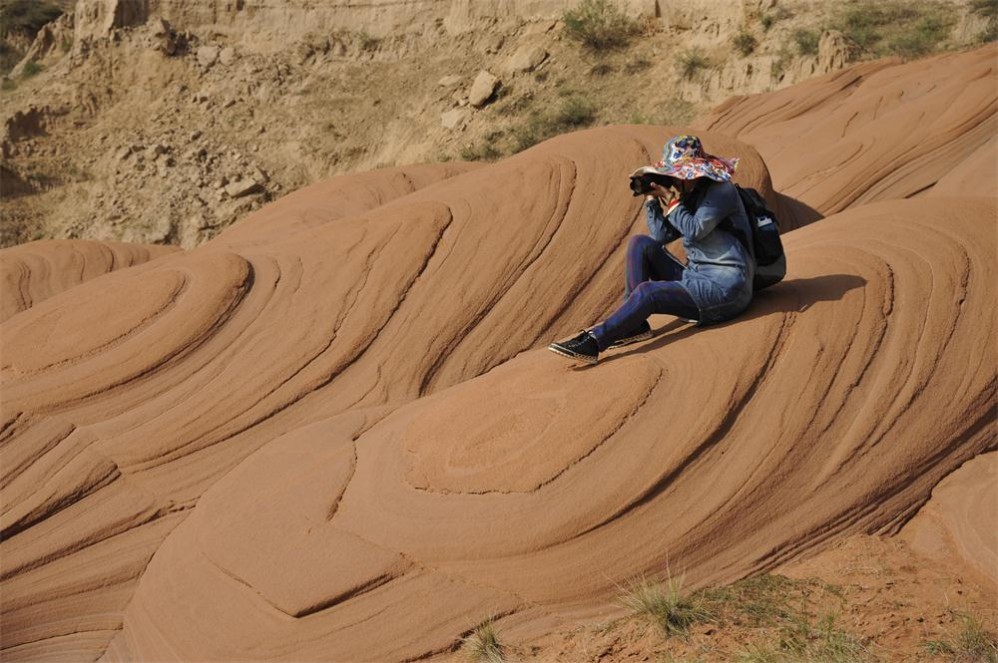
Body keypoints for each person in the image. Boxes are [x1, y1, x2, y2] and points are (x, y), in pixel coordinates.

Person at [548, 134, 755, 365]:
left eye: (676, 173)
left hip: (726, 288)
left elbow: (696, 229)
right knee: (641, 243)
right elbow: (661, 236)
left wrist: (673, 202)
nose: (673, 178)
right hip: (696, 277)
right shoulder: (688, 191)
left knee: (649, 292)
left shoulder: (720, 191)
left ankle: (594, 342)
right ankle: (634, 325)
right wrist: (652, 201)